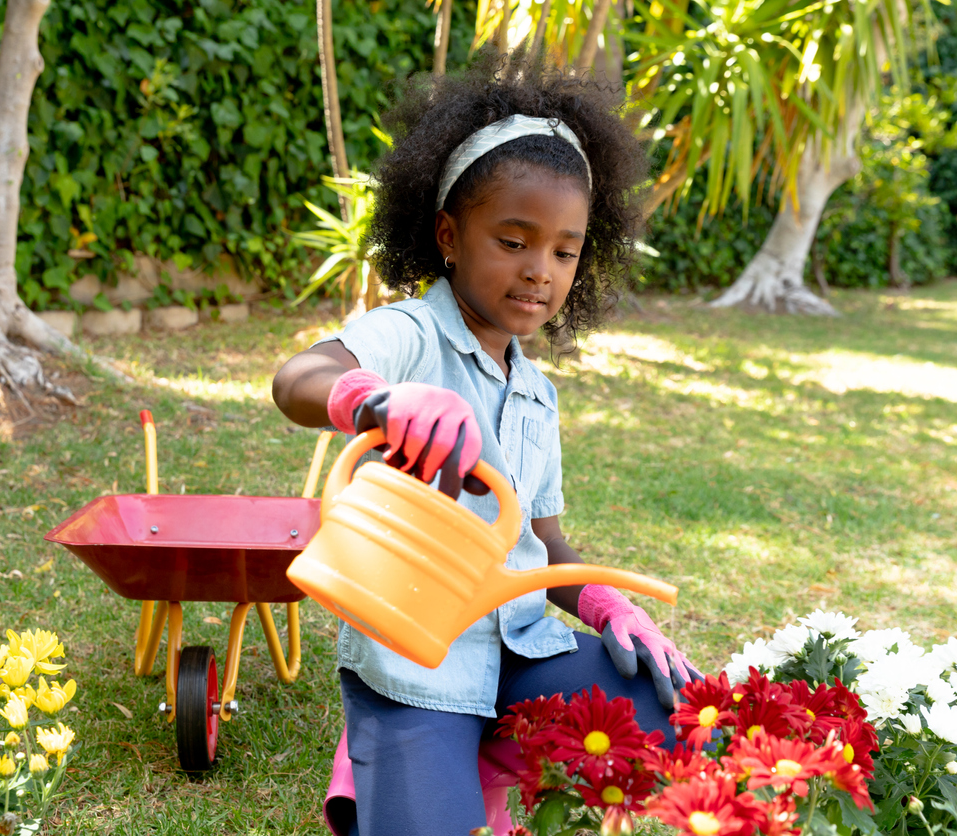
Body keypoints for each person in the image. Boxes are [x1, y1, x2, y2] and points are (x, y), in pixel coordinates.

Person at [272, 52, 700, 836]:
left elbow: (543, 539)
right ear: (448, 234)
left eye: (564, 251)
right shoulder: (409, 335)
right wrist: (377, 399)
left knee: (672, 709)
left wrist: (605, 607)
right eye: (513, 240)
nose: (540, 271)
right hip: (412, 665)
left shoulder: (537, 393)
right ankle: (392, 764)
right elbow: (297, 376)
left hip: (521, 653)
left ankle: (483, 763)